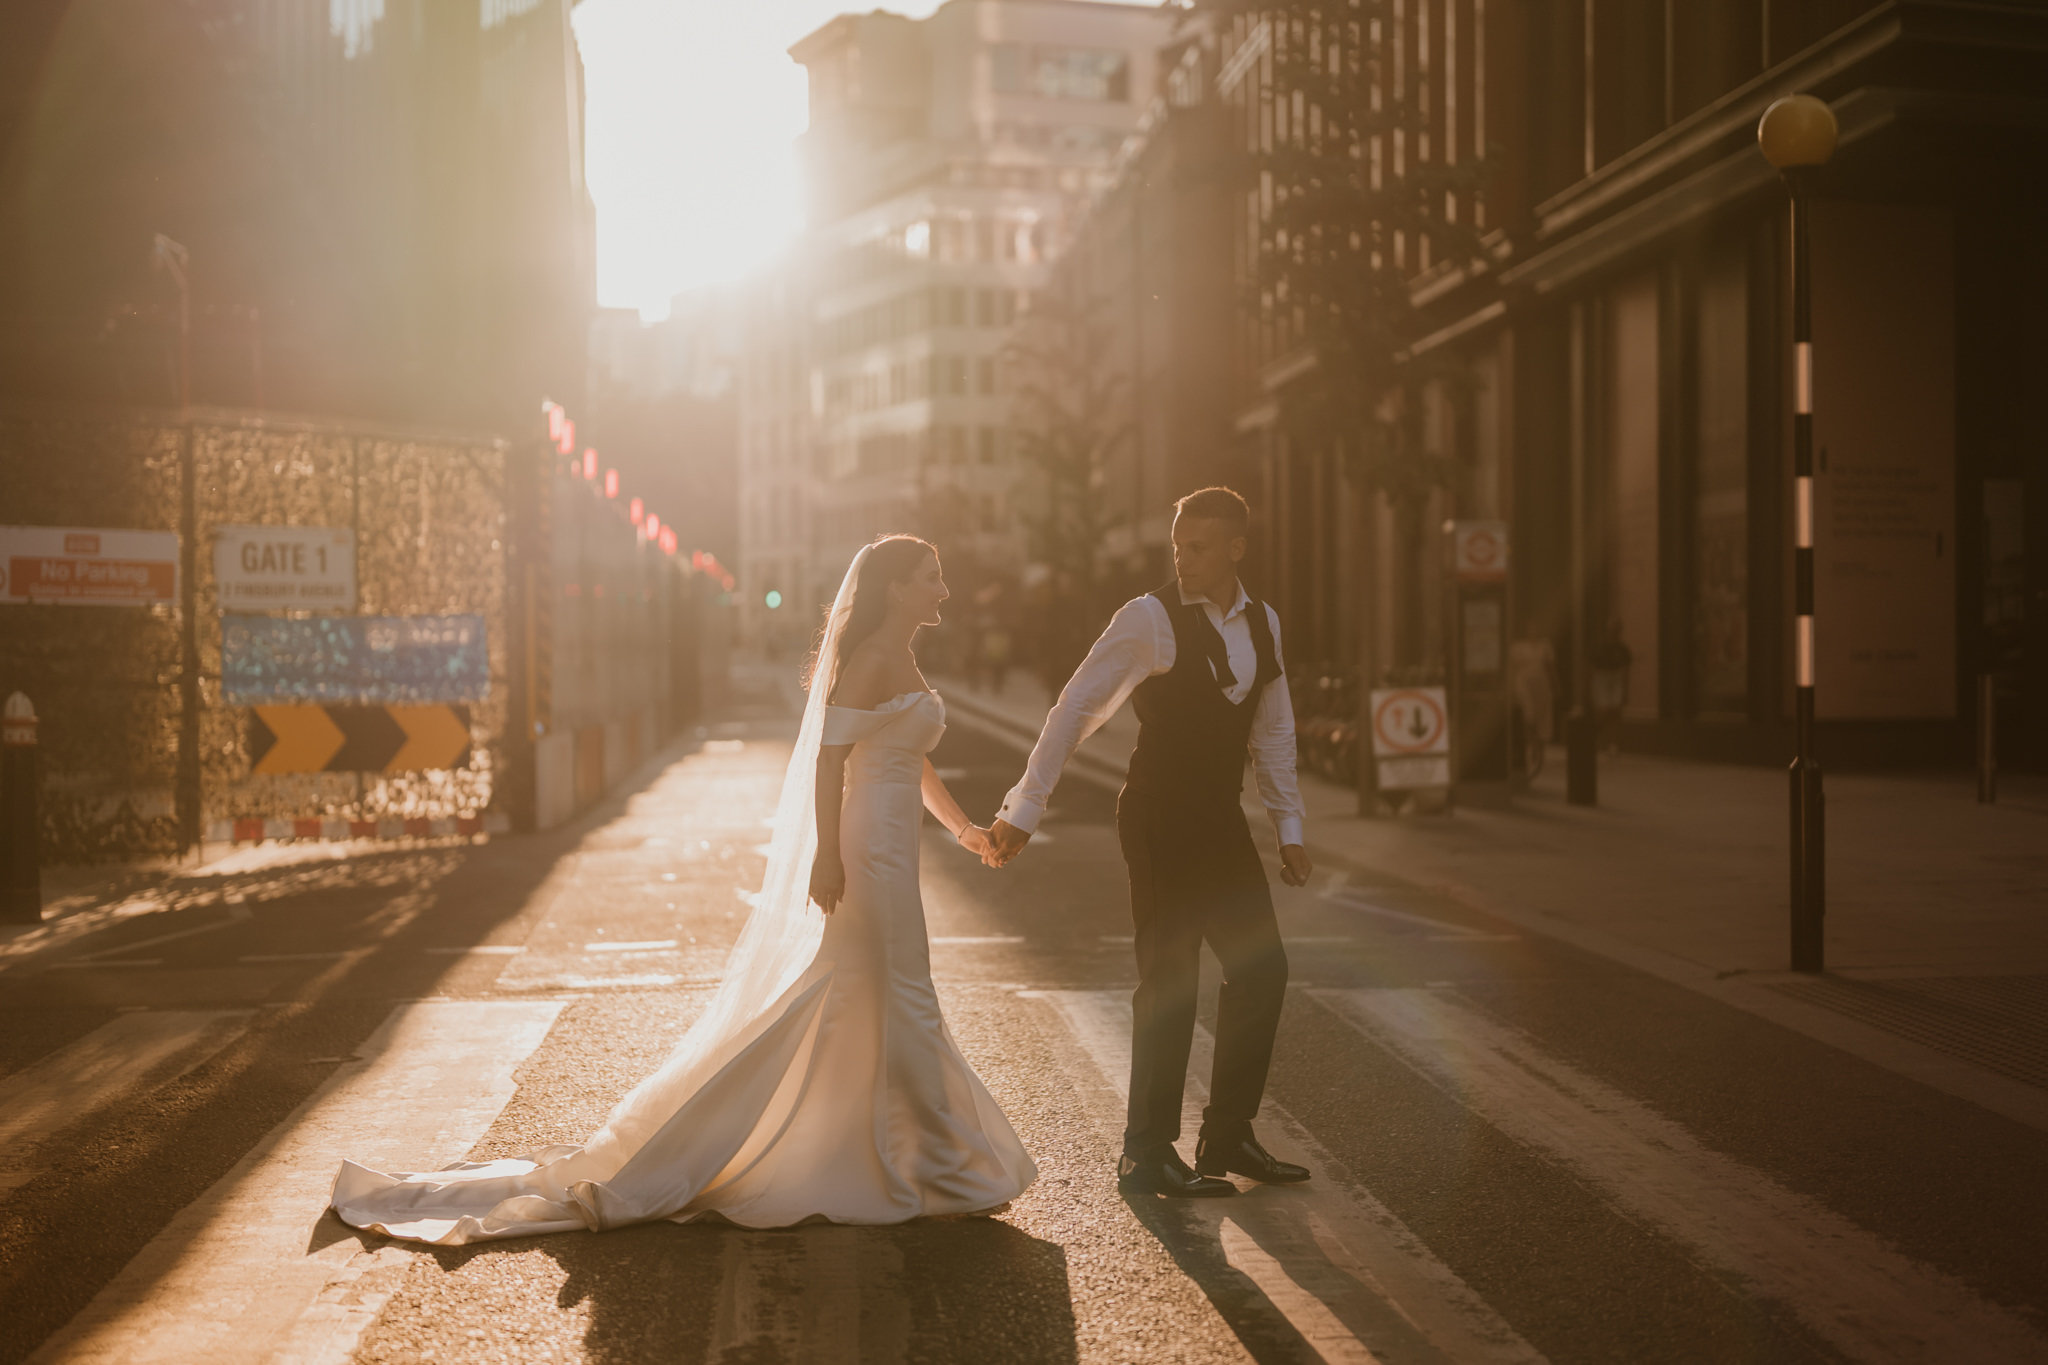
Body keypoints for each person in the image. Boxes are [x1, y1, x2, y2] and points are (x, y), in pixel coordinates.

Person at [330, 536, 1035, 1243]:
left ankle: (894, 1152)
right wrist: (826, 853)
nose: (944, 589)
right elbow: (829, 760)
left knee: (873, 988)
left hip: (894, 844)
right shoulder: (875, 658)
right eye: (932, 578)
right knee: (901, 987)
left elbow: (911, 760)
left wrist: (966, 829)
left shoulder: (905, 656)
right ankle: (944, 1162)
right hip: (866, 849)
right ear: (894, 589)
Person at [984, 487, 1314, 1198]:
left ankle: (1227, 1134)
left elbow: (1275, 727)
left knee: (1263, 969)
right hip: (1159, 815)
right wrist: (1025, 807)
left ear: (1235, 548)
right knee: (1170, 978)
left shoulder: (1264, 624)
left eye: (1198, 547)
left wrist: (1290, 826)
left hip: (1220, 817)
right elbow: (1077, 704)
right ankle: (1145, 1151)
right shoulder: (1149, 617)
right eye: (1177, 546)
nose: (1182, 559)